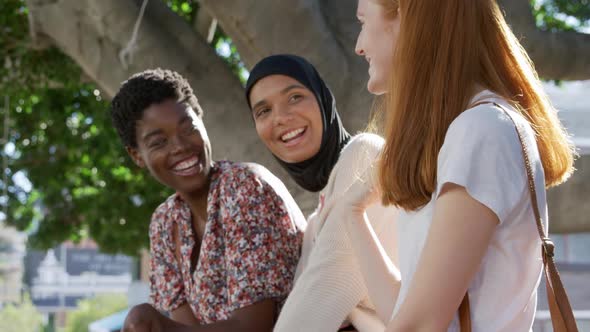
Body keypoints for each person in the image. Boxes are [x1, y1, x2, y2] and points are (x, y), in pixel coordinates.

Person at [351, 0, 575, 331]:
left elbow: (423, 323)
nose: (359, 46)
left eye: (362, 21)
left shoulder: (482, 130)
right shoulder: (473, 130)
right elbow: (409, 313)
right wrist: (352, 217)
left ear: (405, 18)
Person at [110, 68, 305, 332]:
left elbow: (255, 327)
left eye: (188, 127)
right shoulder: (165, 223)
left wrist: (160, 327)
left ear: (201, 120)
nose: (179, 146)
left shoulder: (243, 187)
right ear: (137, 156)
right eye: (158, 142)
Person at [245, 54, 401, 331]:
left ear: (322, 99)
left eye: (294, 97)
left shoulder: (364, 156)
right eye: (263, 111)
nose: (281, 117)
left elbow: (322, 291)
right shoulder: (316, 222)